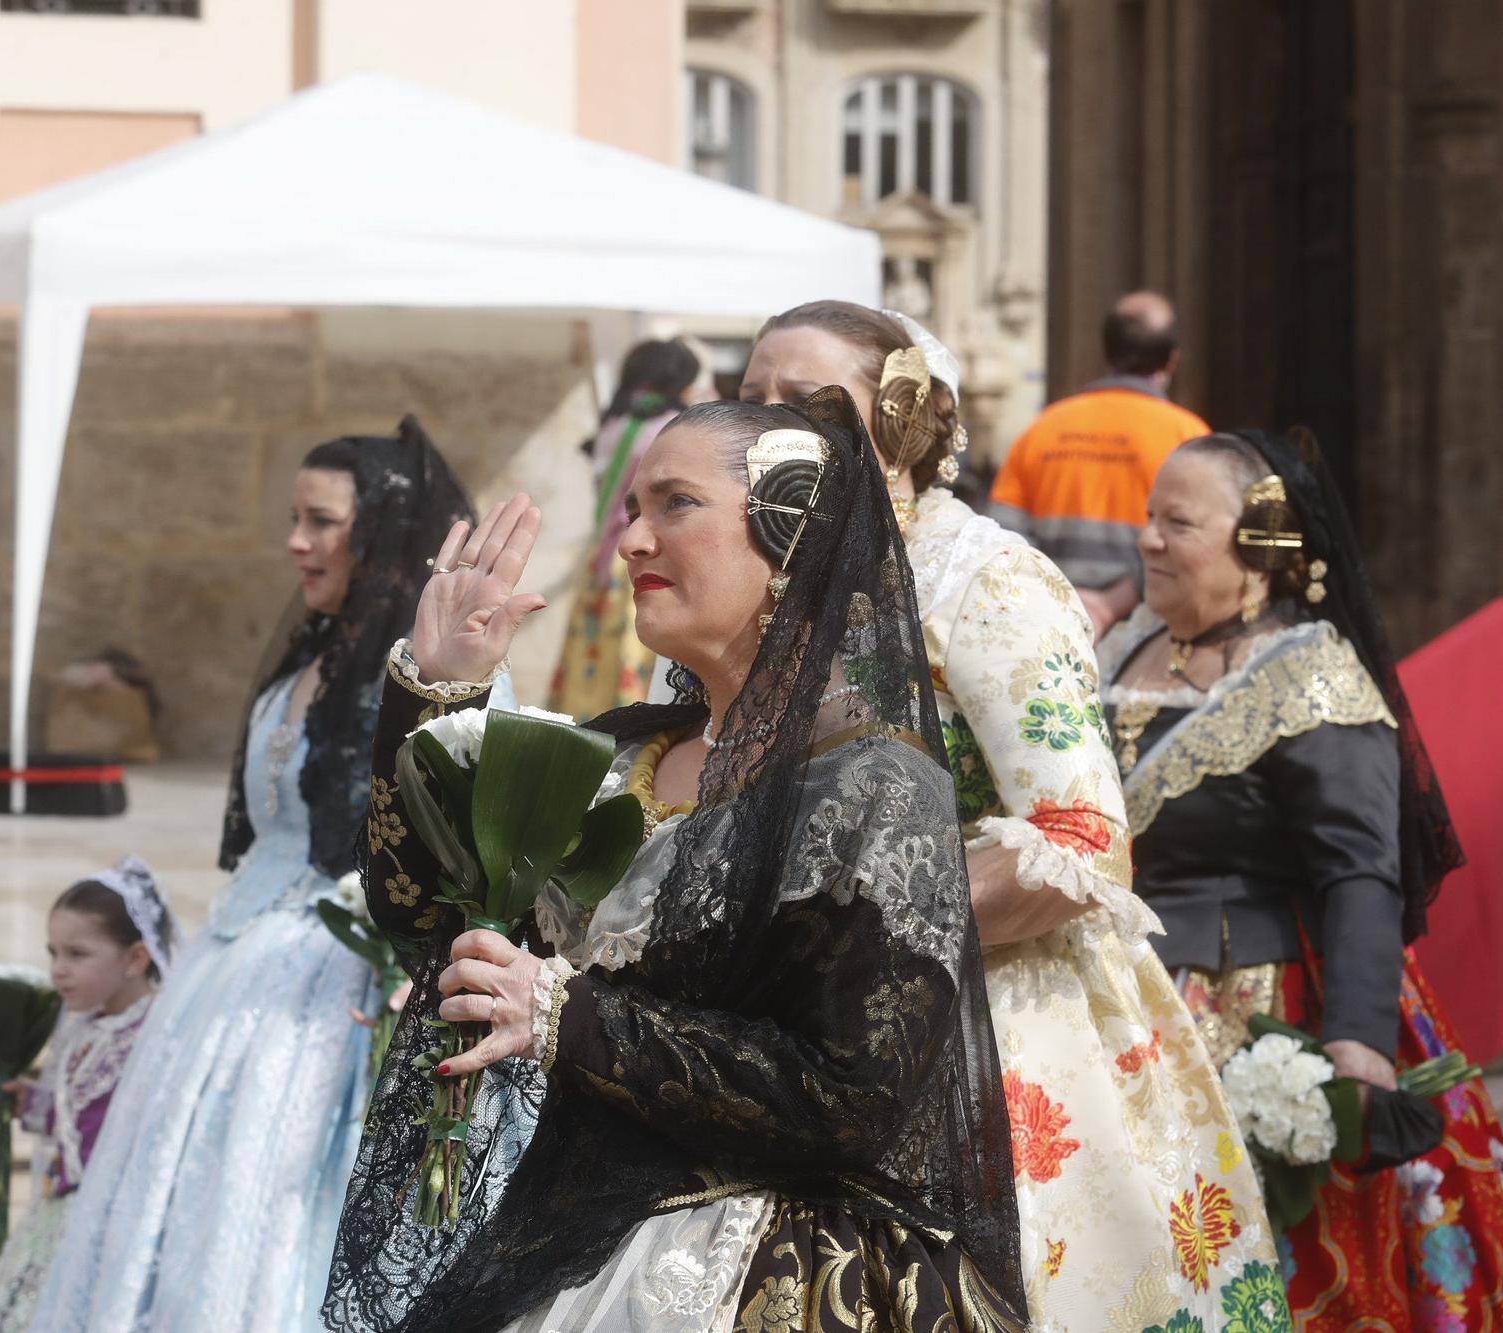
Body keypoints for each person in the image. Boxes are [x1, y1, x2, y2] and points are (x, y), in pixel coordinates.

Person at [325, 394, 1027, 1331]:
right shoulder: (618, 756)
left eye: (675, 504)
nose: (632, 540)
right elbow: (426, 915)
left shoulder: (876, 784)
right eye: (631, 510)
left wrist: (564, 1013)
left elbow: (854, 1098)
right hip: (574, 1231)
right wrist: (437, 686)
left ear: (788, 535)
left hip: (770, 1266)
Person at [739, 301, 1280, 1330]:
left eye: (807, 400)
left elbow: (1080, 841)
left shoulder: (982, 579)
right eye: (749, 395)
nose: (765, 424)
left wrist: (853, 942)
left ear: (899, 418)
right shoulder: (761, 577)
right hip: (782, 1029)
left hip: (990, 1019)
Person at [1098, 430, 1503, 1330]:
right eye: (1149, 518)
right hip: (1117, 997)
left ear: (1261, 550)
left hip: (1249, 1005)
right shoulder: (1131, 647)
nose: (1148, 539)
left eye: (1177, 523)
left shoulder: (1310, 681)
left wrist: (1354, 1045)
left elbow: (1357, 871)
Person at [34, 418, 473, 1332]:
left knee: (276, 1217)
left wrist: (408, 961)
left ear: (382, 533)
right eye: (293, 518)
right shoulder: (313, 656)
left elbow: (465, 844)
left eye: (320, 521)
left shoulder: (445, 676)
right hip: (231, 973)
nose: (295, 542)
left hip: (330, 992)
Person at [0, 858, 178, 1333]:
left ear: (136, 958)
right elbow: (74, 1117)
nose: (58, 971)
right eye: (53, 953)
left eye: (77, 955)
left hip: (112, 1228)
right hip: (56, 1219)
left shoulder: (158, 1035)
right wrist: (30, 1102)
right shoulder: (85, 1026)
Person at [992, 290, 1209, 635]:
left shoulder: (1045, 426)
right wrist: (1110, 604)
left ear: (1107, 352)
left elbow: (1002, 535)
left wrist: (1063, 597)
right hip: (1147, 632)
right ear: (1171, 360)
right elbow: (1200, 543)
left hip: (1050, 624)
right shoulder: (1190, 437)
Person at [550, 338, 714, 716]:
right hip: (642, 553)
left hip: (601, 554)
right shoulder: (668, 429)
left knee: (592, 655)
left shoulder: (613, 423)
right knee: (634, 651)